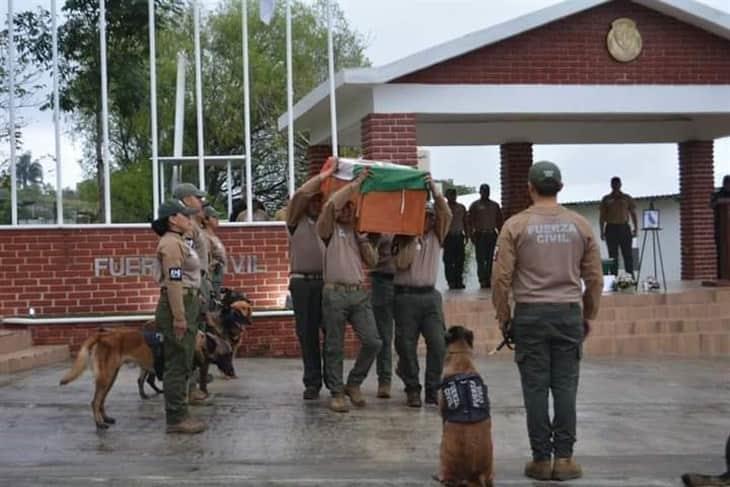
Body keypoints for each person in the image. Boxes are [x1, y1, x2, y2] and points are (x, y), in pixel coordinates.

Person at [492, 161, 602, 481]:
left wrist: (504, 317)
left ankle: (541, 460)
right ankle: (565, 459)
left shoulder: (515, 226)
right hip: (568, 313)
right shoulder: (580, 225)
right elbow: (594, 278)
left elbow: (500, 278)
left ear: (530, 188)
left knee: (536, 388)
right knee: (566, 387)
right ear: (561, 187)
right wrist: (588, 313)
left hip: (530, 315)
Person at [317, 169, 382, 413]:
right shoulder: (328, 229)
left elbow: (373, 262)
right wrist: (357, 183)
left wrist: (364, 238)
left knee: (373, 341)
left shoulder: (359, 232)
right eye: (344, 208)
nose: (346, 211)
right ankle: (336, 392)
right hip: (334, 293)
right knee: (334, 344)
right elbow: (332, 205)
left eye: (350, 208)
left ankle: (353, 383)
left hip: (358, 293)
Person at [392, 175, 453, 407]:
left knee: (438, 343)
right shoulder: (402, 238)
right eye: (424, 216)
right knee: (406, 345)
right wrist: (412, 237)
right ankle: (412, 388)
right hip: (406, 296)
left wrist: (435, 192)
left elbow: (446, 214)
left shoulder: (437, 235)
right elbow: (401, 264)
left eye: (430, 217)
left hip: (429, 296)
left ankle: (432, 389)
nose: (428, 220)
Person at [151, 200, 207, 434]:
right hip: (179, 302)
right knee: (177, 362)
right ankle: (176, 417)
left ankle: (180, 413)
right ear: (172, 219)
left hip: (188, 299)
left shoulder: (180, 241)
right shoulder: (171, 245)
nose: (189, 219)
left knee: (184, 359)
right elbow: (174, 281)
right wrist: (179, 317)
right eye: (185, 215)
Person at [286, 168, 331, 400]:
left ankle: (333, 380)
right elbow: (300, 195)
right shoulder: (295, 221)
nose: (315, 204)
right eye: (312, 201)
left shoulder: (327, 224)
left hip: (325, 282)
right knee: (307, 334)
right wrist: (323, 177)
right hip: (302, 283)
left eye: (319, 201)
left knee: (331, 332)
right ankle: (312, 382)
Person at [172, 183, 210, 403]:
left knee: (195, 339)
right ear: (186, 199)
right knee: (188, 343)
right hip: (189, 289)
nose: (201, 201)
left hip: (196, 286)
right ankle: (186, 390)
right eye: (197, 198)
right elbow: (181, 264)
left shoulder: (192, 225)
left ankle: (191, 386)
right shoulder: (184, 228)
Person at [370, 233, 396, 399]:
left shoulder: (409, 219)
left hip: (406, 280)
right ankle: (384, 380)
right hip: (382, 280)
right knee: (384, 336)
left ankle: (409, 379)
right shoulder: (375, 220)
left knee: (406, 336)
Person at [599, 177, 638, 276]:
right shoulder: (606, 199)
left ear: (621, 184)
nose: (616, 185)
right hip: (611, 229)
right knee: (613, 256)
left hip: (624, 227)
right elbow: (602, 217)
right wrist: (601, 231)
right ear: (611, 185)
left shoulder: (627, 198)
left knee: (628, 255)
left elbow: (633, 213)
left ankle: (630, 280)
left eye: (617, 183)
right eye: (614, 183)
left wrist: (636, 228)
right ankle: (614, 279)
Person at [468, 183, 503, 289]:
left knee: (491, 259)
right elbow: (469, 221)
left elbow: (499, 221)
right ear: (480, 192)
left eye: (487, 191)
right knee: (481, 259)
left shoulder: (495, 205)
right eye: (483, 191)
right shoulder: (475, 205)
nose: (485, 193)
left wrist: (501, 235)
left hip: (492, 234)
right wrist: (471, 235)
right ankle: (482, 280)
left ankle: (489, 279)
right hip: (480, 235)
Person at [443, 188, 468, 290]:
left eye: (454, 195)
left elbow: (465, 221)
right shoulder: (442, 207)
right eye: (450, 195)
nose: (452, 197)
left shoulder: (461, 207)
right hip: (448, 237)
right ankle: (451, 282)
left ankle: (459, 281)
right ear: (446, 196)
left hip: (458, 236)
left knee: (460, 260)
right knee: (448, 261)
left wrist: (467, 235)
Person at [203, 205, 226, 299]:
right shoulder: (205, 237)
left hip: (217, 275)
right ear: (206, 220)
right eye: (214, 217)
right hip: (211, 276)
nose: (217, 219)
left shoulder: (213, 236)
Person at [711, 175, 730, 279]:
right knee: (722, 254)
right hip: (722, 231)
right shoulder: (718, 195)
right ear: (725, 184)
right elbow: (712, 205)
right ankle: (722, 277)